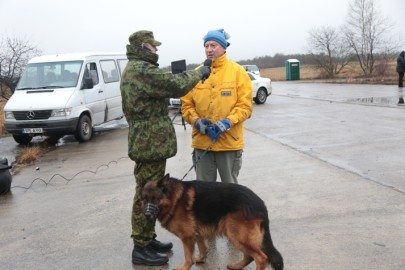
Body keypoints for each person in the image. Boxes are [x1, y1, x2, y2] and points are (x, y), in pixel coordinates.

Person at [120, 30, 211, 266]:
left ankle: (147, 239)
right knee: (147, 194)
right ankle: (141, 247)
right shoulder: (141, 69)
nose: (156, 50)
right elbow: (174, 85)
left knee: (150, 192)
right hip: (149, 142)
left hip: (149, 141)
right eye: (153, 46)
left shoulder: (138, 68)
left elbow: (162, 83)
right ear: (142, 47)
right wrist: (199, 72)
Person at [181, 29, 253, 184]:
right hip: (202, 143)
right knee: (204, 194)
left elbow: (245, 106)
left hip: (229, 144)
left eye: (213, 45)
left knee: (229, 193)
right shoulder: (196, 74)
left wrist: (227, 122)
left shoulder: (237, 72)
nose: (209, 49)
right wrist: (196, 121)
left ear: (224, 47)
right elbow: (186, 106)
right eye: (206, 46)